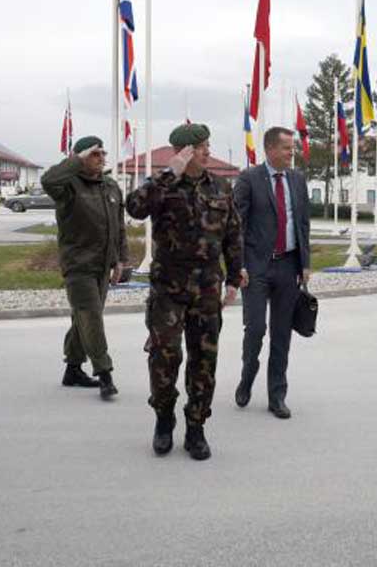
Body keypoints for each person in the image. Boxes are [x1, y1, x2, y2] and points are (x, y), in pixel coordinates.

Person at [126, 123, 243, 461]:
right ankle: (164, 419)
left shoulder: (220, 186)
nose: (207, 151)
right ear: (184, 151)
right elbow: (134, 208)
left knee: (204, 361)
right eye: (201, 147)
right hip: (168, 291)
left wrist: (235, 277)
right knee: (164, 356)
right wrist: (169, 173)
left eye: (208, 145)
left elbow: (233, 234)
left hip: (207, 290)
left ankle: (196, 428)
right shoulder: (164, 186)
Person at [233, 127, 311, 419]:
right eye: (287, 148)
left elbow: (302, 223)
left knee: (281, 334)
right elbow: (236, 225)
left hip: (289, 266)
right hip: (256, 267)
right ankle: (247, 374)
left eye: (293, 148)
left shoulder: (297, 179)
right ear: (270, 149)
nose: (292, 153)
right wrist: (238, 264)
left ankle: (277, 395)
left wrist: (305, 264)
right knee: (255, 329)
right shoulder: (249, 179)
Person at [40, 136, 128, 400]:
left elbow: (119, 227)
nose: (101, 159)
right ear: (80, 157)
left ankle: (73, 369)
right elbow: (48, 180)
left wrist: (120, 259)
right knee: (91, 316)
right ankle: (105, 373)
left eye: (103, 154)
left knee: (83, 317)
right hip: (78, 265)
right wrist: (75, 160)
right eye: (94, 154)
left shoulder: (110, 186)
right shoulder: (67, 186)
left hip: (102, 266)